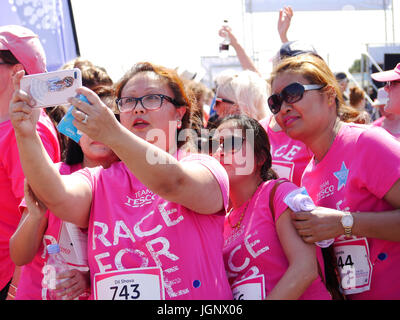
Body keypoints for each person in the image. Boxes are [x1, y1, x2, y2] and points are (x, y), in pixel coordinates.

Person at [9, 61, 232, 300]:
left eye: (152, 98)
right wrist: (26, 132)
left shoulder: (204, 167)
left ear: (180, 113)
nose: (138, 109)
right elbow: (56, 196)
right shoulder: (99, 180)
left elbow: (173, 183)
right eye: (129, 101)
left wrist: (113, 134)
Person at [268, 53, 400, 299]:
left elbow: (342, 224)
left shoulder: (366, 142)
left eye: (293, 93)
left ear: (329, 95)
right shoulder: (308, 174)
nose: (284, 107)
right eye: (275, 102)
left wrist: (344, 223)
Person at [10, 85, 119, 300]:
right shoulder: (53, 175)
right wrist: (35, 216)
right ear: (74, 129)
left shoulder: (132, 186)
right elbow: (19, 256)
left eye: (107, 124)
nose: (96, 132)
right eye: (86, 122)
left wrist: (87, 280)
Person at [213, 114, 331, 300]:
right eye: (214, 144)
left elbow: (305, 269)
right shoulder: (221, 221)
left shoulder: (279, 193)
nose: (220, 151)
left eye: (231, 143)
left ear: (260, 158)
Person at [0, 25, 61, 300]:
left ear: (17, 73)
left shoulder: (27, 129)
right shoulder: (12, 125)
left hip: (7, 281)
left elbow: (36, 216)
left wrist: (16, 290)